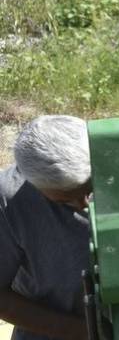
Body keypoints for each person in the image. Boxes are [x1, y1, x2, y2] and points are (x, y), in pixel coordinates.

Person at [0, 115, 93, 340]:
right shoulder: (8, 202)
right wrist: (88, 332)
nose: (84, 206)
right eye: (66, 201)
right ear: (34, 184)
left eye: (89, 191)